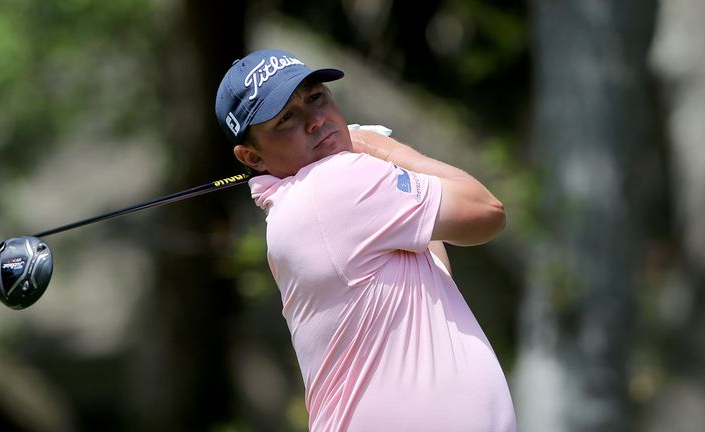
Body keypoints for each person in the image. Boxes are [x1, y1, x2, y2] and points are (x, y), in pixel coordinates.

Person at [215, 49, 516, 431]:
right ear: (252, 158)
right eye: (287, 119)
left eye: (316, 97)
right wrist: (384, 149)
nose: (316, 121)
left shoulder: (309, 205)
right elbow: (486, 211)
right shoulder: (335, 183)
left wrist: (386, 167)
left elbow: (434, 261)